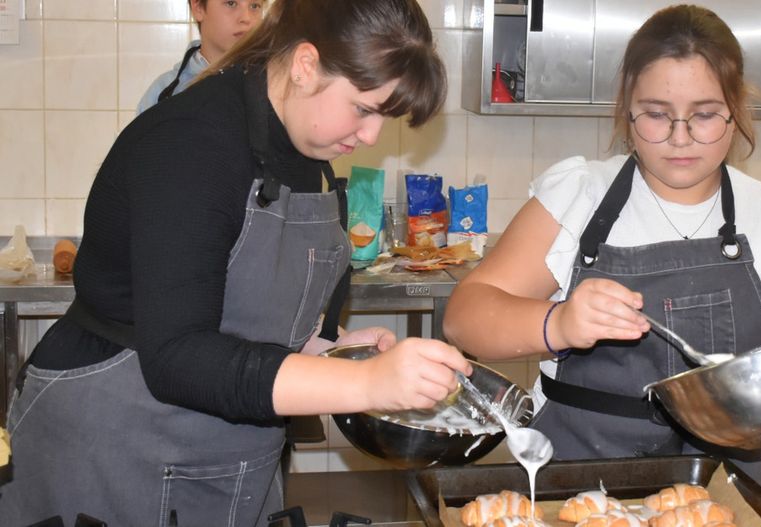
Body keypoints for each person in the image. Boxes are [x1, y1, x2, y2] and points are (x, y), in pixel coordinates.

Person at [0, 1, 468, 525]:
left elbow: (230, 305)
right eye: (364, 108)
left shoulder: (303, 151)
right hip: (112, 448)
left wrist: (327, 352)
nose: (372, 137)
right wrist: (368, 384)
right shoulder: (190, 142)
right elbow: (177, 354)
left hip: (228, 457)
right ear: (306, 64)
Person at [443, 4, 761, 482]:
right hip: (581, 485)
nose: (679, 138)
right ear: (627, 109)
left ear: (736, 111)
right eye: (656, 115)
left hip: (722, 494)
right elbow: (465, 320)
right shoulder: (577, 198)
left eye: (705, 115)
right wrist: (558, 322)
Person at [136, 0, 265, 114]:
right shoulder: (162, 93)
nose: (246, 18)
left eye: (255, 6)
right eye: (231, 3)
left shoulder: (275, 86)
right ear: (198, 7)